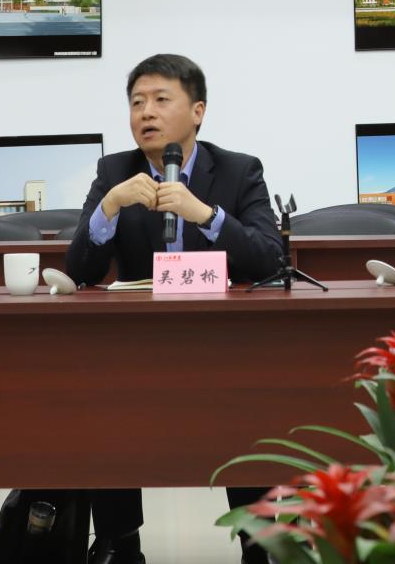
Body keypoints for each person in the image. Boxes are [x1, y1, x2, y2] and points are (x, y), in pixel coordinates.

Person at [66, 53, 284, 564]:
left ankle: (258, 542)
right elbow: (79, 270)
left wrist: (206, 215)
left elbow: (270, 259)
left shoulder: (238, 170)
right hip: (138, 346)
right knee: (101, 401)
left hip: (226, 343)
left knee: (249, 402)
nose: (146, 112)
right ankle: (121, 543)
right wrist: (109, 207)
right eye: (137, 102)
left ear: (197, 111)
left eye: (161, 100)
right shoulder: (114, 171)